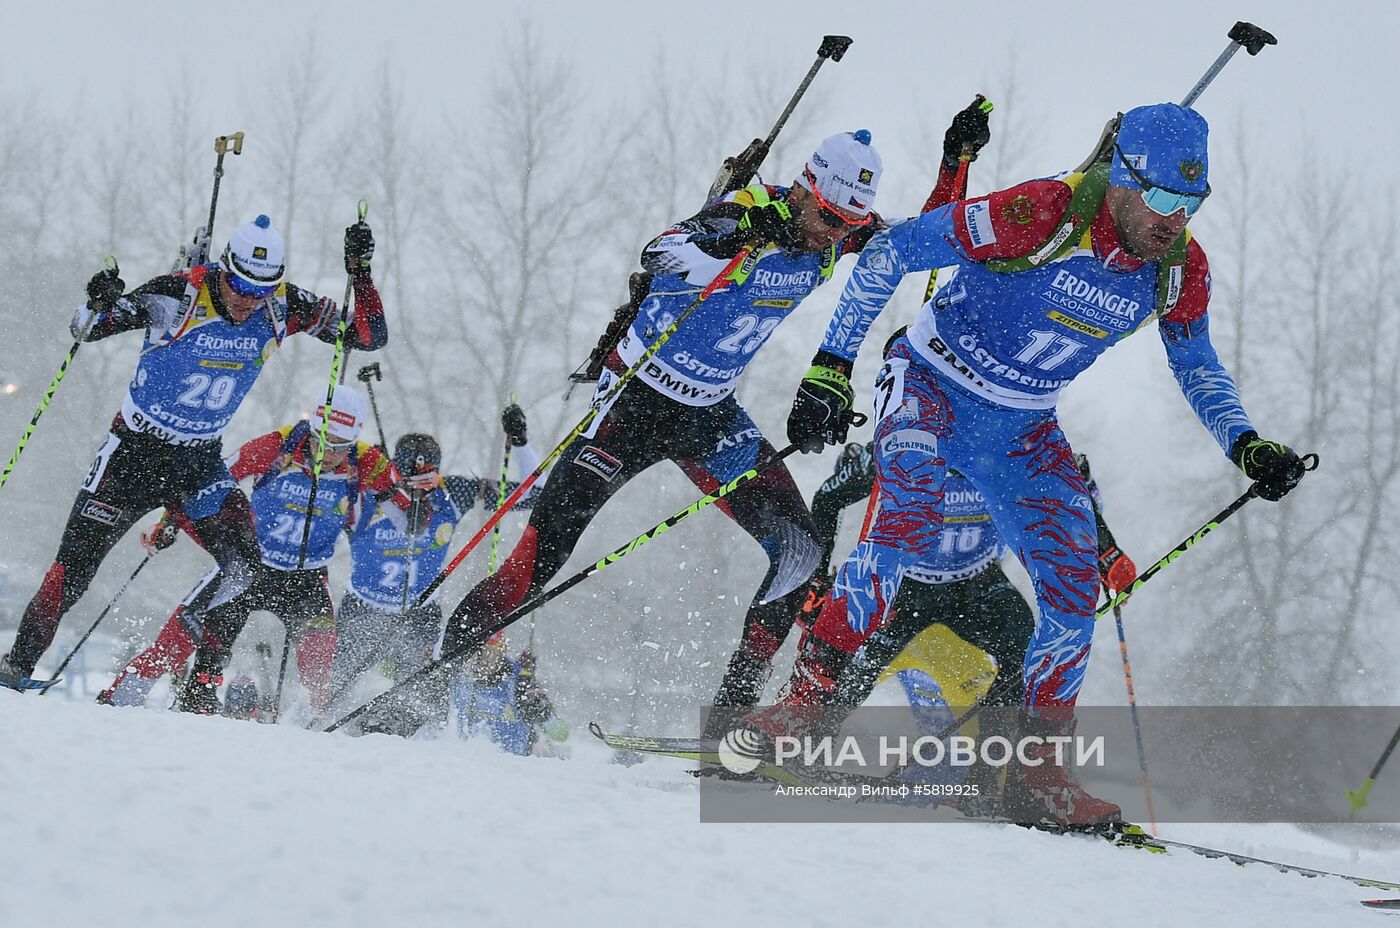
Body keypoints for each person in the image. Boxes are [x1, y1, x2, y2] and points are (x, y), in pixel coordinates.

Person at [758, 102, 1308, 825]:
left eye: (1192, 203)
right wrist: (830, 366)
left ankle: (1034, 774)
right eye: (1164, 199)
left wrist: (1247, 444)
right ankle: (800, 714)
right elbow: (891, 253)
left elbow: (1197, 363)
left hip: (1021, 424)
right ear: (1121, 177)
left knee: (1075, 585)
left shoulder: (1178, 267)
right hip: (932, 384)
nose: (1176, 220)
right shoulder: (1040, 212)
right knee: (906, 524)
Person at [433, 127, 898, 727]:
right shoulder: (750, 212)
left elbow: (910, 240)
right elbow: (661, 253)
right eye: (828, 217)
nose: (833, 234)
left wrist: (966, 183)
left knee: (801, 553)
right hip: (635, 404)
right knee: (537, 559)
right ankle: (430, 682)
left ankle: (730, 723)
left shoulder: (840, 233)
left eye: (845, 224)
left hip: (710, 414)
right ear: (806, 189)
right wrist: (747, 232)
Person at [0, 215, 386, 690]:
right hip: (132, 455)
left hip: (197, 463)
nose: (247, 301)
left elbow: (369, 337)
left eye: (260, 290)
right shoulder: (177, 294)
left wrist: (361, 271)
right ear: (224, 270)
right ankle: (15, 668)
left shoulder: (281, 307)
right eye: (240, 285)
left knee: (245, 567)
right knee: (72, 573)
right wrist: (98, 299)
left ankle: (197, 680)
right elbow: (85, 328)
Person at [97, 386, 406, 713]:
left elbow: (408, 521)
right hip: (248, 566)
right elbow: (210, 480)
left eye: (339, 447)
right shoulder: (277, 445)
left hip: (306, 578)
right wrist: (170, 521)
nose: (327, 454)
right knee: (176, 642)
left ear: (354, 441)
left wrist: (399, 493)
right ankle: (118, 701)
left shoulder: (368, 462)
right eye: (320, 441)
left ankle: (315, 728)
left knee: (319, 662)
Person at [330, 408, 543, 706]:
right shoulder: (366, 494)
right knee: (333, 694)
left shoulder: (451, 493)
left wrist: (520, 443)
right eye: (410, 484)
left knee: (422, 702)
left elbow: (533, 493)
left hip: (420, 614)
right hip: (364, 607)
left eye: (427, 482)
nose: (419, 495)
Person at [451, 641, 569, 756]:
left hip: (512, 768)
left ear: (502, 653)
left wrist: (544, 713)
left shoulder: (520, 683)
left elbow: (562, 735)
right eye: (480, 652)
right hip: (467, 766)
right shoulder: (458, 682)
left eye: (491, 652)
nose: (484, 659)